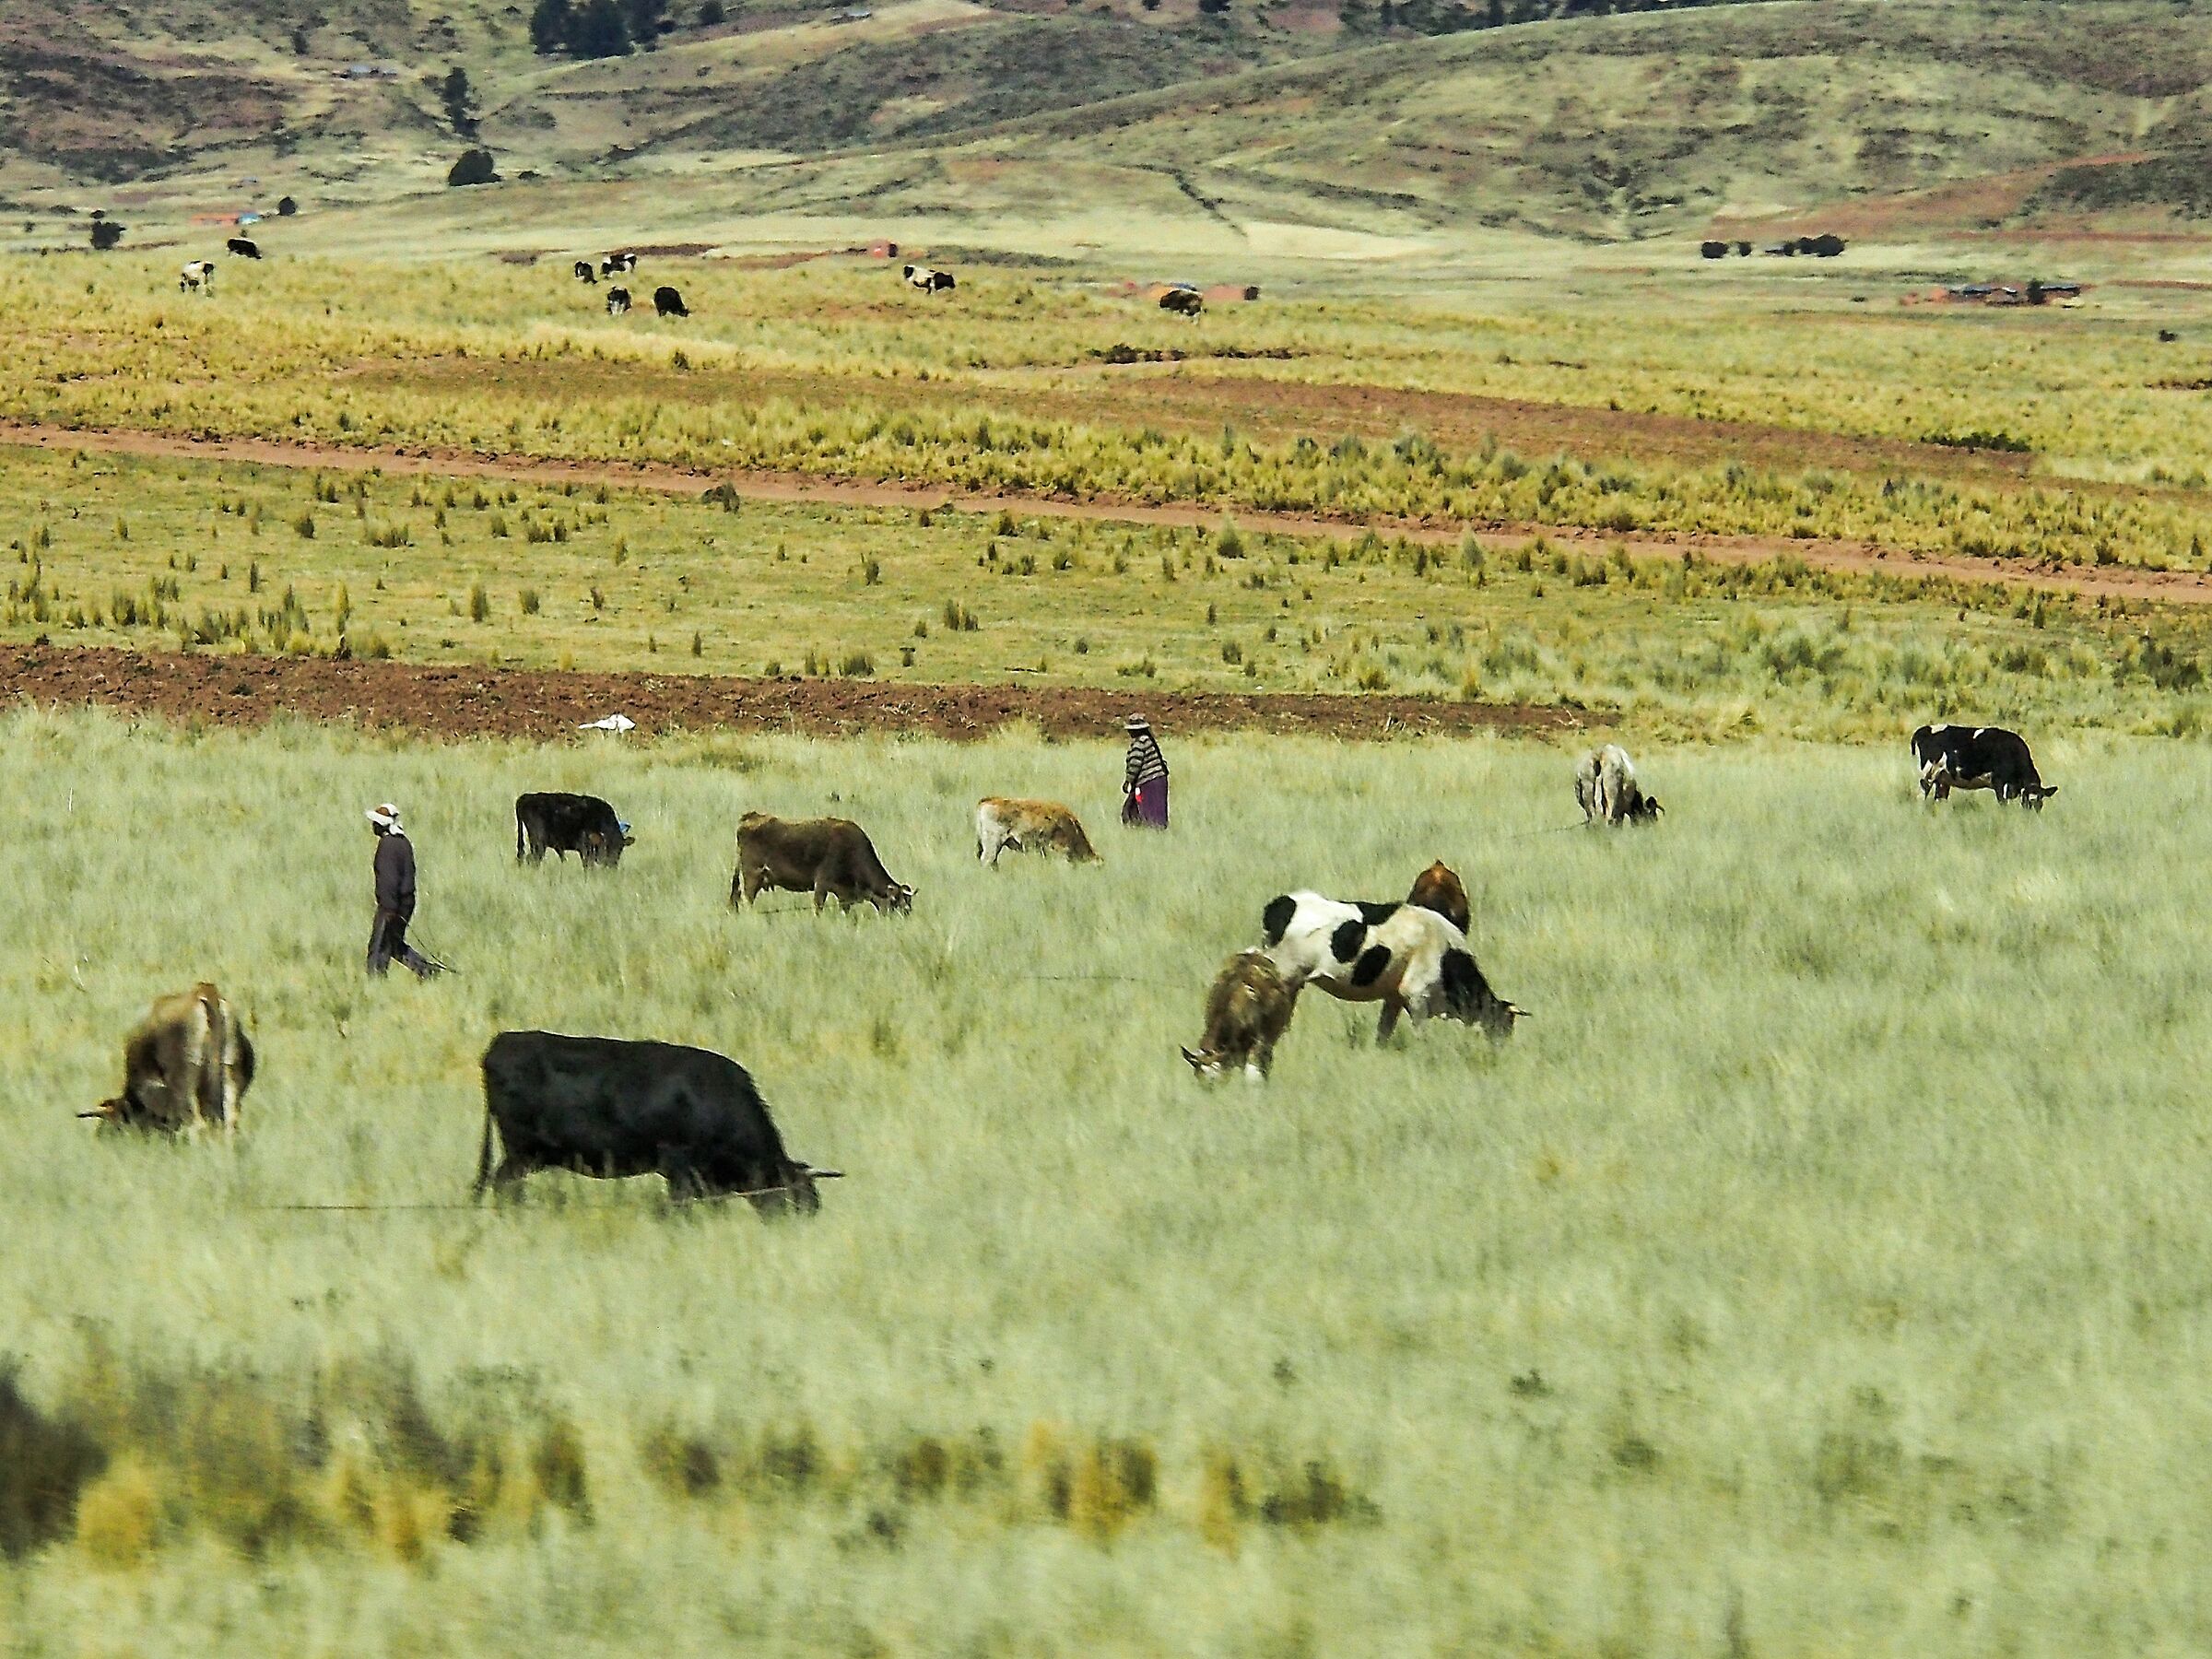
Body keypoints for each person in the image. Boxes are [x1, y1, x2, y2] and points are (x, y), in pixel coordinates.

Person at [366, 803, 441, 978]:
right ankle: (427, 971)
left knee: (378, 948)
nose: (373, 826)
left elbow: (389, 880)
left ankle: (375, 984)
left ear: (381, 825)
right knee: (393, 944)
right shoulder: (403, 843)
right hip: (405, 903)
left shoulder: (387, 846)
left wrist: (389, 908)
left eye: (375, 822)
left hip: (391, 906)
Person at [1121, 713, 1169, 829]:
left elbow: (1134, 765)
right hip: (1159, 780)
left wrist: (1128, 781)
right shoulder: (1149, 741)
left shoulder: (1139, 743)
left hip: (1147, 783)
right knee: (1158, 811)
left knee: (1146, 809)